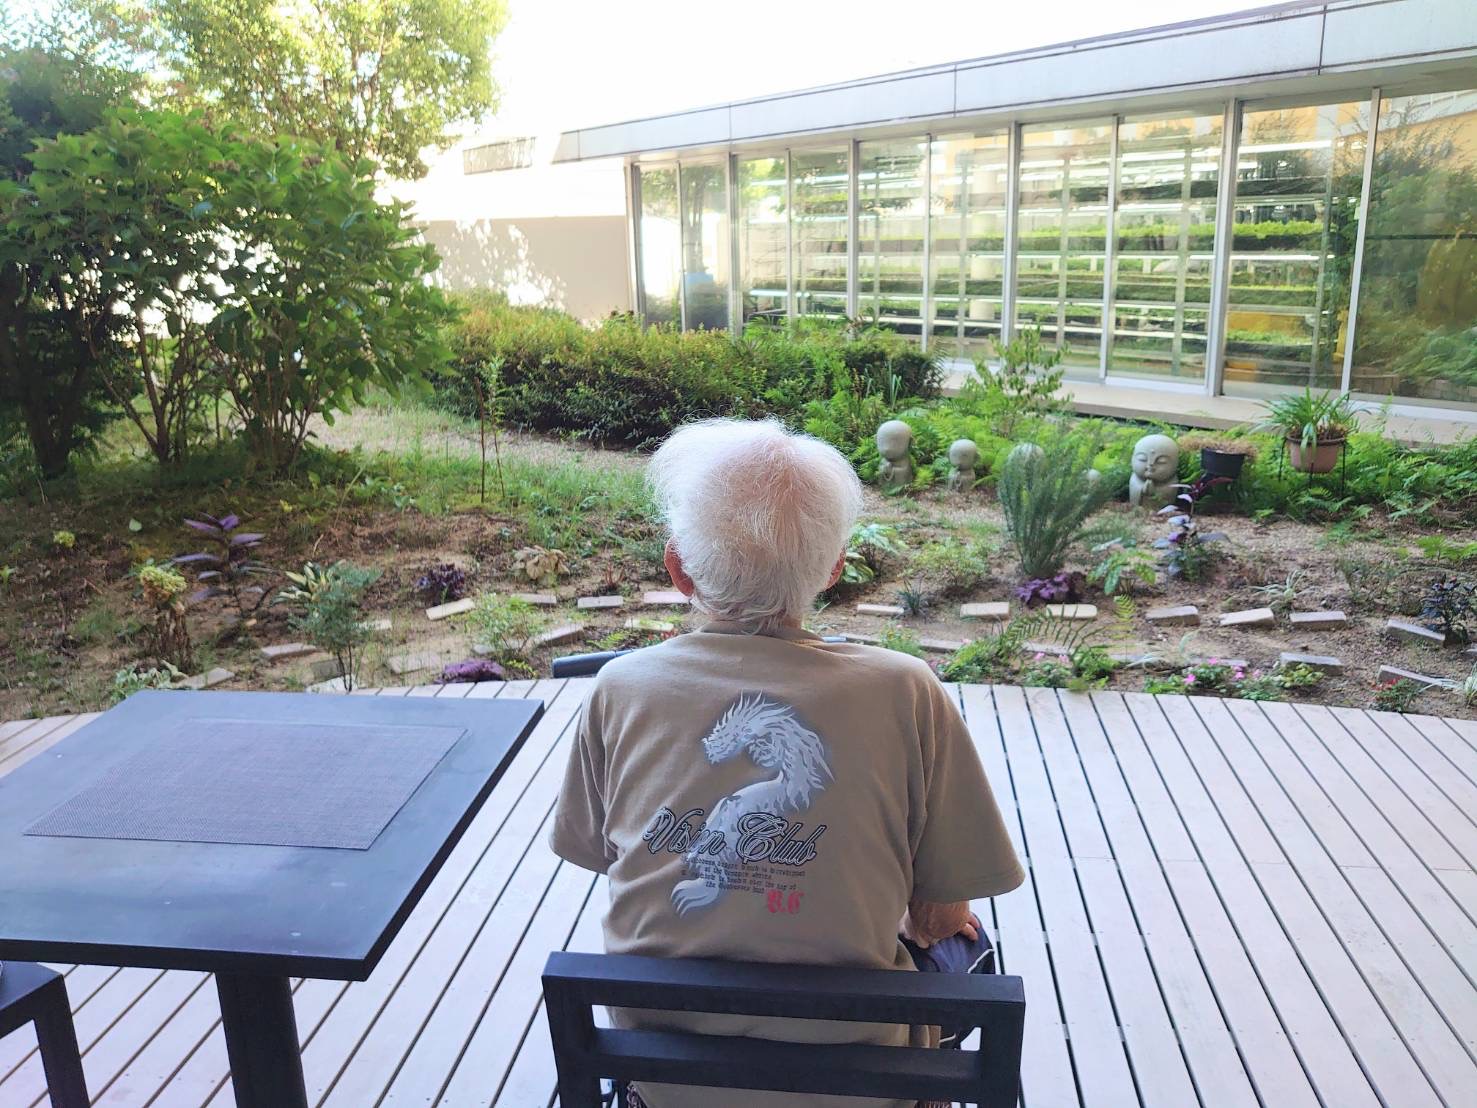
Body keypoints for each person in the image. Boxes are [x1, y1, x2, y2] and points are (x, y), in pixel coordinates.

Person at [550, 418, 1024, 1108]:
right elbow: (940, 916)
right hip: (862, 1089)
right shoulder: (904, 690)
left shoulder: (619, 689)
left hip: (670, 1082)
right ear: (833, 570)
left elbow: (607, 858)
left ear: (678, 569)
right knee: (964, 944)